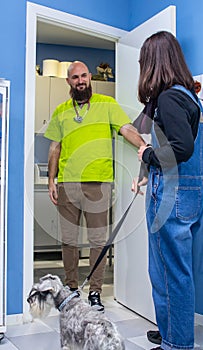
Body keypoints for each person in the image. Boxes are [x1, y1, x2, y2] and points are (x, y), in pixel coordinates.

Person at [44, 60, 146, 312]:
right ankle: (69, 289)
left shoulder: (107, 105)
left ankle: (95, 293)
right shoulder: (60, 111)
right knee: (68, 240)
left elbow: (126, 129)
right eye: (75, 78)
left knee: (98, 241)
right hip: (67, 183)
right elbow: (54, 148)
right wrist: (51, 180)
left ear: (90, 77)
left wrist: (145, 146)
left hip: (99, 184)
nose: (80, 81)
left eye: (83, 76)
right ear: (68, 82)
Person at [132, 31, 203, 350]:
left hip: (171, 196)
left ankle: (176, 344)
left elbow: (181, 147)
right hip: (191, 191)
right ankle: (172, 331)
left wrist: (147, 155)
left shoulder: (169, 98)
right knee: (177, 273)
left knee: (167, 274)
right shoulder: (190, 96)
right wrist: (149, 171)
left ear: (153, 62)